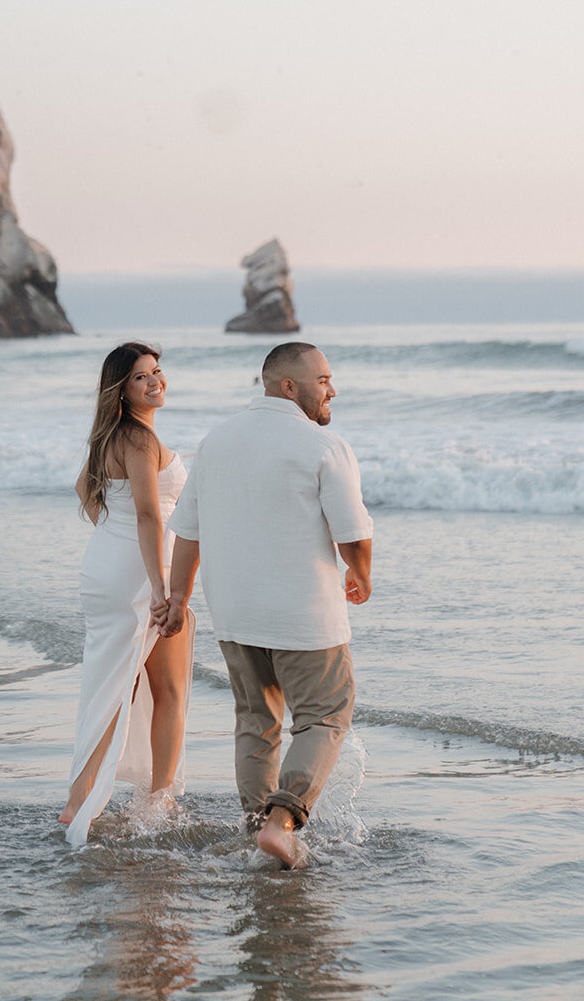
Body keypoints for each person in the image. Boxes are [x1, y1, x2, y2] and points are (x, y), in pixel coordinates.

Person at [157, 341, 373, 867]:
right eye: (324, 380)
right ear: (288, 387)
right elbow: (353, 534)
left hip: (235, 613)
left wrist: (179, 598)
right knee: (325, 716)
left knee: (257, 721)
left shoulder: (217, 441)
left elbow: (187, 530)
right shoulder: (323, 446)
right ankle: (281, 824)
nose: (333, 389)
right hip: (304, 615)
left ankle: (257, 830)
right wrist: (361, 576)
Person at [59, 342, 195, 846]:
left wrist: (109, 534)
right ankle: (131, 800)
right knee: (152, 689)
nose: (155, 381)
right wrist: (164, 588)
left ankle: (135, 796)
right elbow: (148, 514)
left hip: (110, 567)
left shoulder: (109, 437)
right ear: (122, 389)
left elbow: (83, 491)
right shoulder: (138, 439)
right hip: (142, 574)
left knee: (123, 683)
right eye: (141, 377)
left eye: (158, 371)